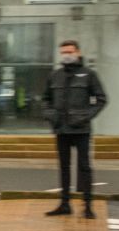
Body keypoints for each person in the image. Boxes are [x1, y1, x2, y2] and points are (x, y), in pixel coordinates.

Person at [40, 39, 107, 218]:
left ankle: (88, 205)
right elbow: (45, 99)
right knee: (64, 167)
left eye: (69, 51)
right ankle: (64, 204)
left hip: (81, 130)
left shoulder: (89, 74)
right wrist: (49, 114)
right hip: (61, 129)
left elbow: (101, 99)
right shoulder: (55, 75)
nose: (66, 55)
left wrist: (86, 116)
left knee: (84, 167)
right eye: (63, 52)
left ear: (78, 52)